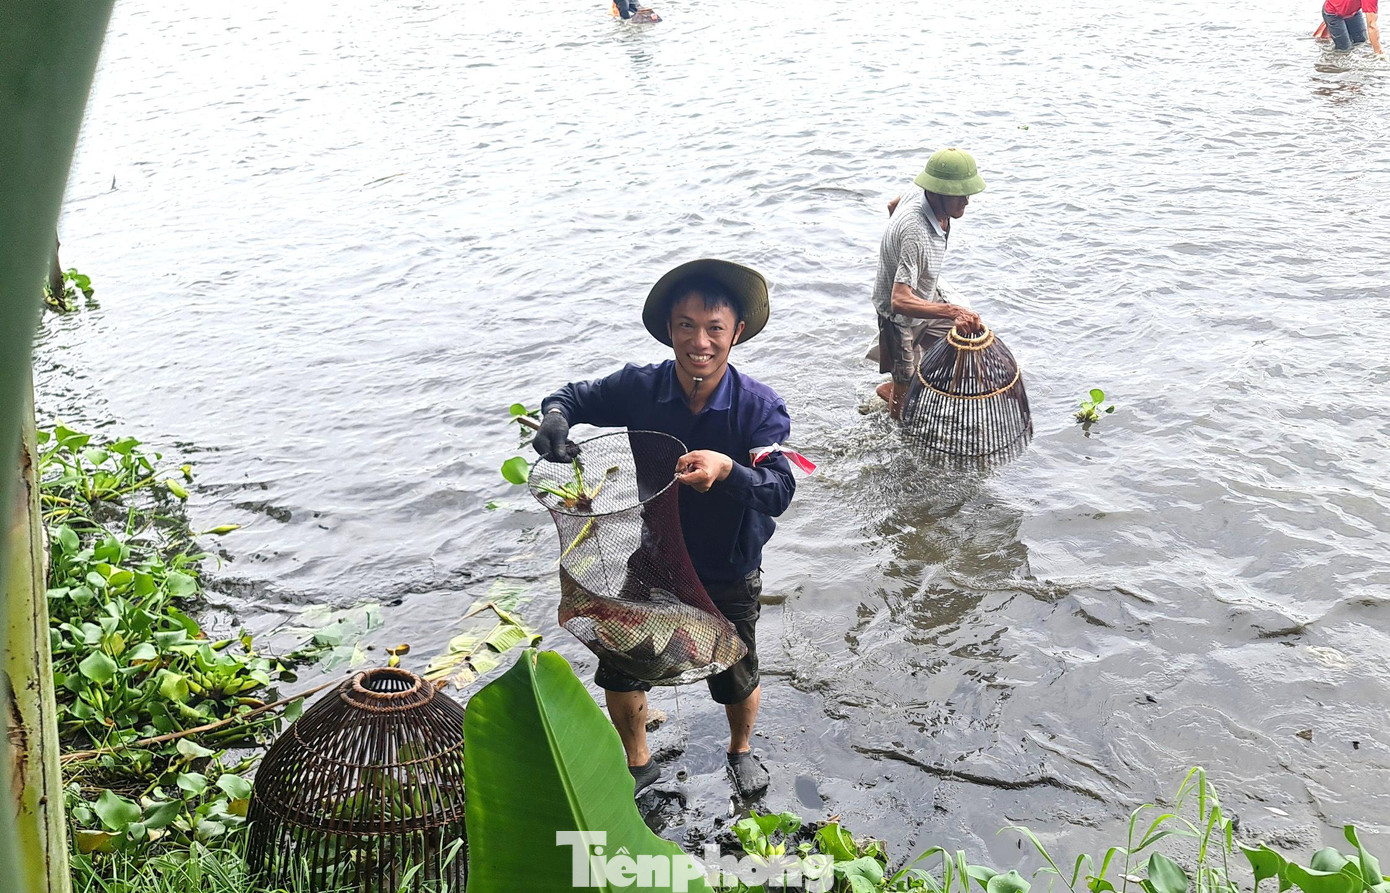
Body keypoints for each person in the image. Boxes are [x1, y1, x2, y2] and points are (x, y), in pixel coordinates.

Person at [532, 259, 797, 799]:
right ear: (670, 329)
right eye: (686, 326)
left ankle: (740, 749)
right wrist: (555, 418)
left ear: (736, 333)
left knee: (736, 671)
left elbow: (779, 490)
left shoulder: (760, 408)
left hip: (729, 561)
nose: (700, 342)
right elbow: (573, 397)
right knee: (621, 664)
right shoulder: (639, 388)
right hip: (654, 554)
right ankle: (638, 761)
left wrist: (726, 470)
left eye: (715, 328)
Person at [866, 148, 987, 420]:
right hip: (898, 316)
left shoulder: (919, 193)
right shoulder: (915, 231)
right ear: (937, 193)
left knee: (964, 341)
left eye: (967, 193)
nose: (966, 201)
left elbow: (892, 205)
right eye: (959, 195)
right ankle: (895, 397)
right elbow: (899, 300)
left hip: (926, 295)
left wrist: (898, 252)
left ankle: (915, 387)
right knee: (903, 398)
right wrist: (953, 311)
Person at [1317, 0, 1384, 55]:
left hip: (1352, 11)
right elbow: (1372, 26)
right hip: (1332, 12)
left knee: (1361, 42)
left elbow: (1371, 24)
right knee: (1344, 50)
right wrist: (1379, 54)